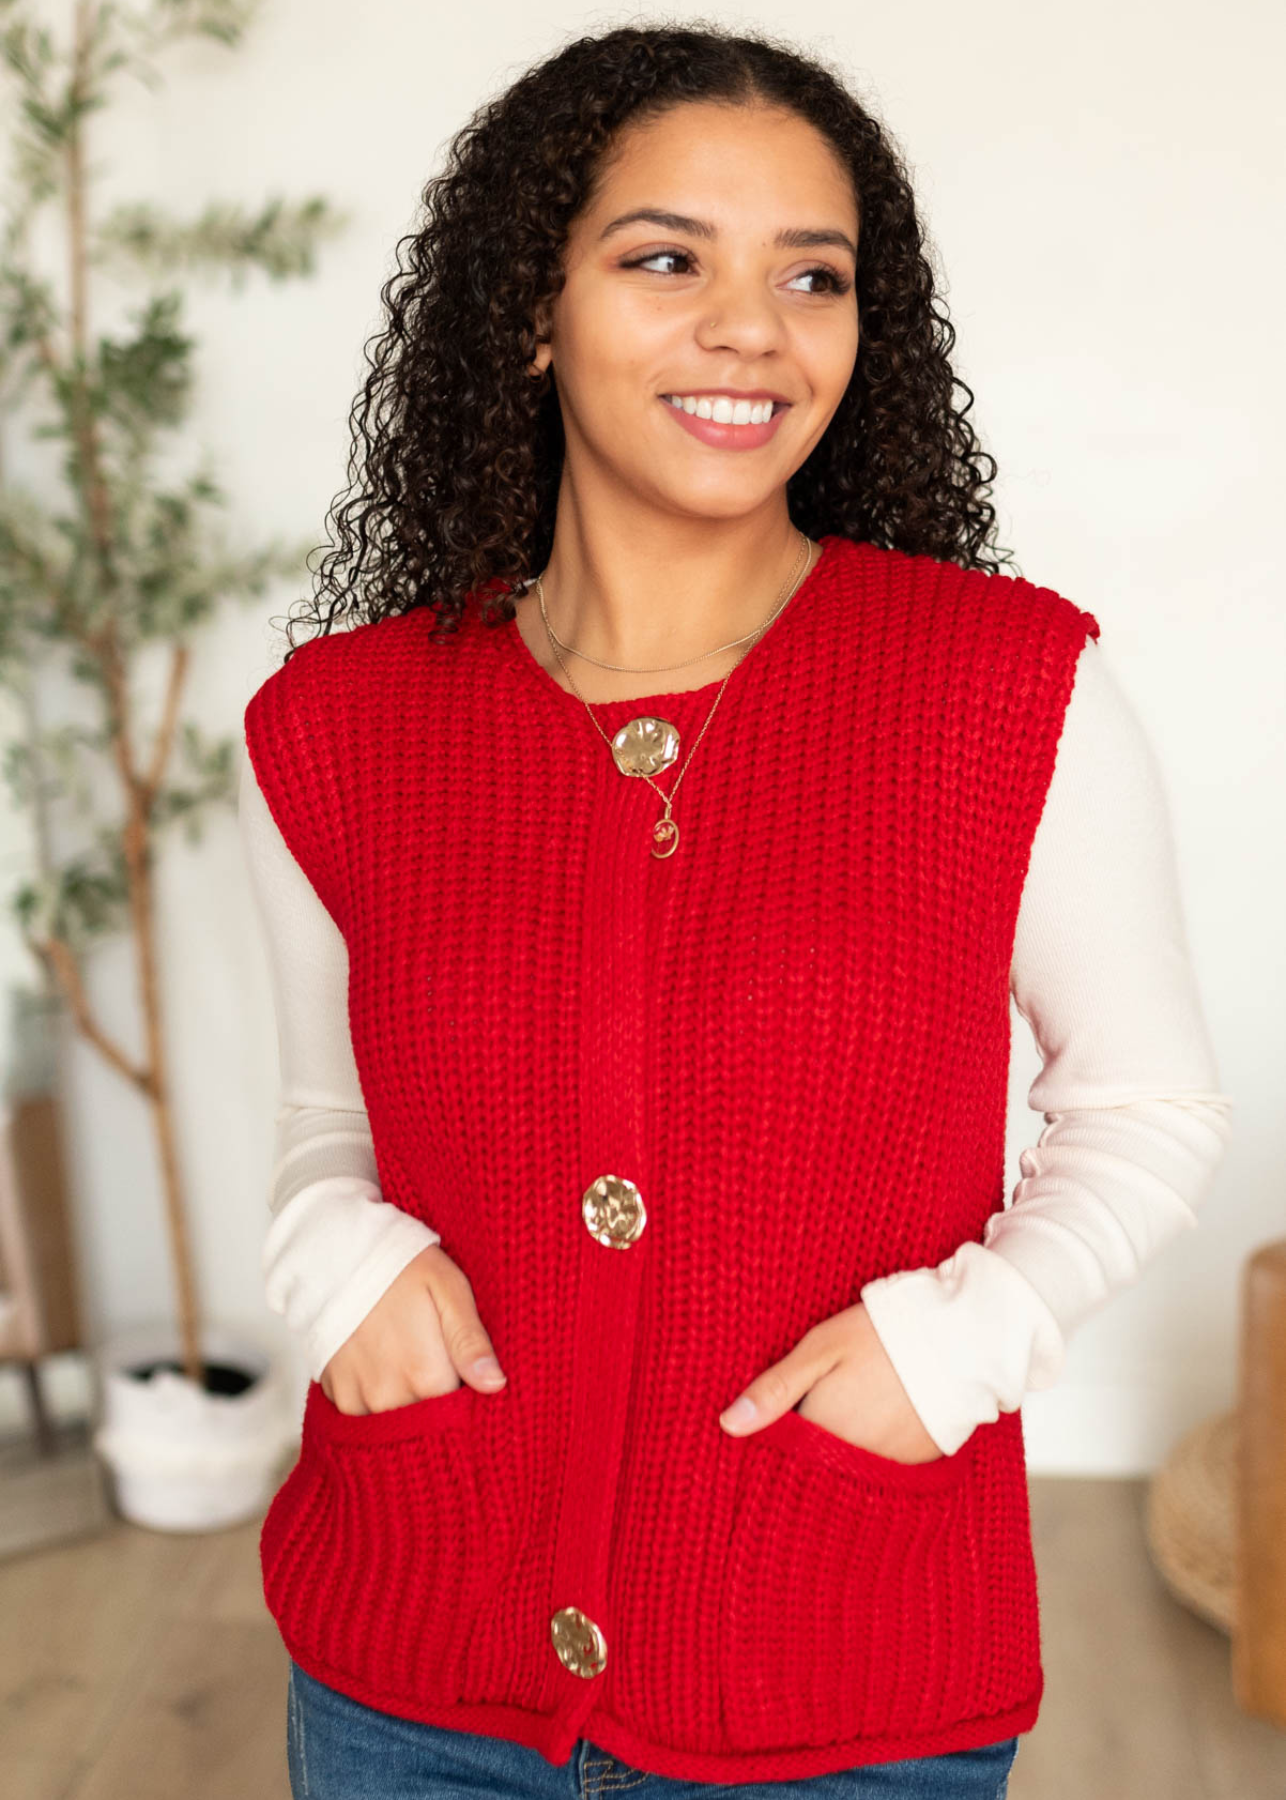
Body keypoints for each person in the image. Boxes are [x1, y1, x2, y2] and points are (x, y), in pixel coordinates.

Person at [239, 22, 1233, 1799]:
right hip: (416, 1655)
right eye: (663, 259)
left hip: (835, 1645)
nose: (750, 329)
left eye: (811, 276)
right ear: (529, 311)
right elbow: (330, 1124)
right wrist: (337, 1261)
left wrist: (957, 1350)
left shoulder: (1004, 693)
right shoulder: (336, 725)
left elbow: (1145, 1108)